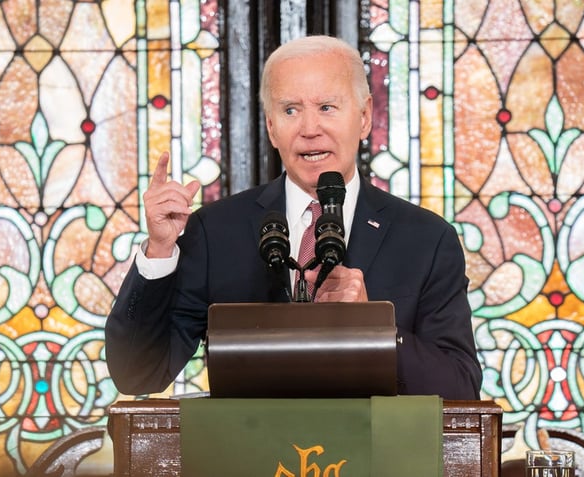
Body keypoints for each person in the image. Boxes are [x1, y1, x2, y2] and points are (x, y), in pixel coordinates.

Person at [105, 35, 481, 400]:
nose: (309, 129)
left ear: (364, 117)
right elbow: (138, 374)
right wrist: (159, 251)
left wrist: (377, 329)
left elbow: (460, 387)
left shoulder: (426, 239)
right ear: (271, 127)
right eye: (290, 110)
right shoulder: (216, 231)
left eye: (327, 108)